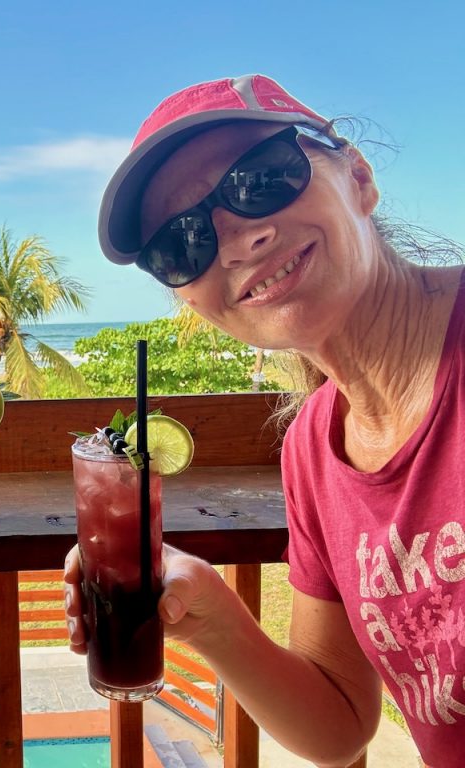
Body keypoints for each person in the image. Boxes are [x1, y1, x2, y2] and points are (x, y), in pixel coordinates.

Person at [64, 74, 465, 767]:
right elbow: (339, 724)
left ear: (358, 177)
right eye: (181, 244)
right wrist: (211, 617)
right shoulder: (313, 448)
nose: (236, 242)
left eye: (261, 179)